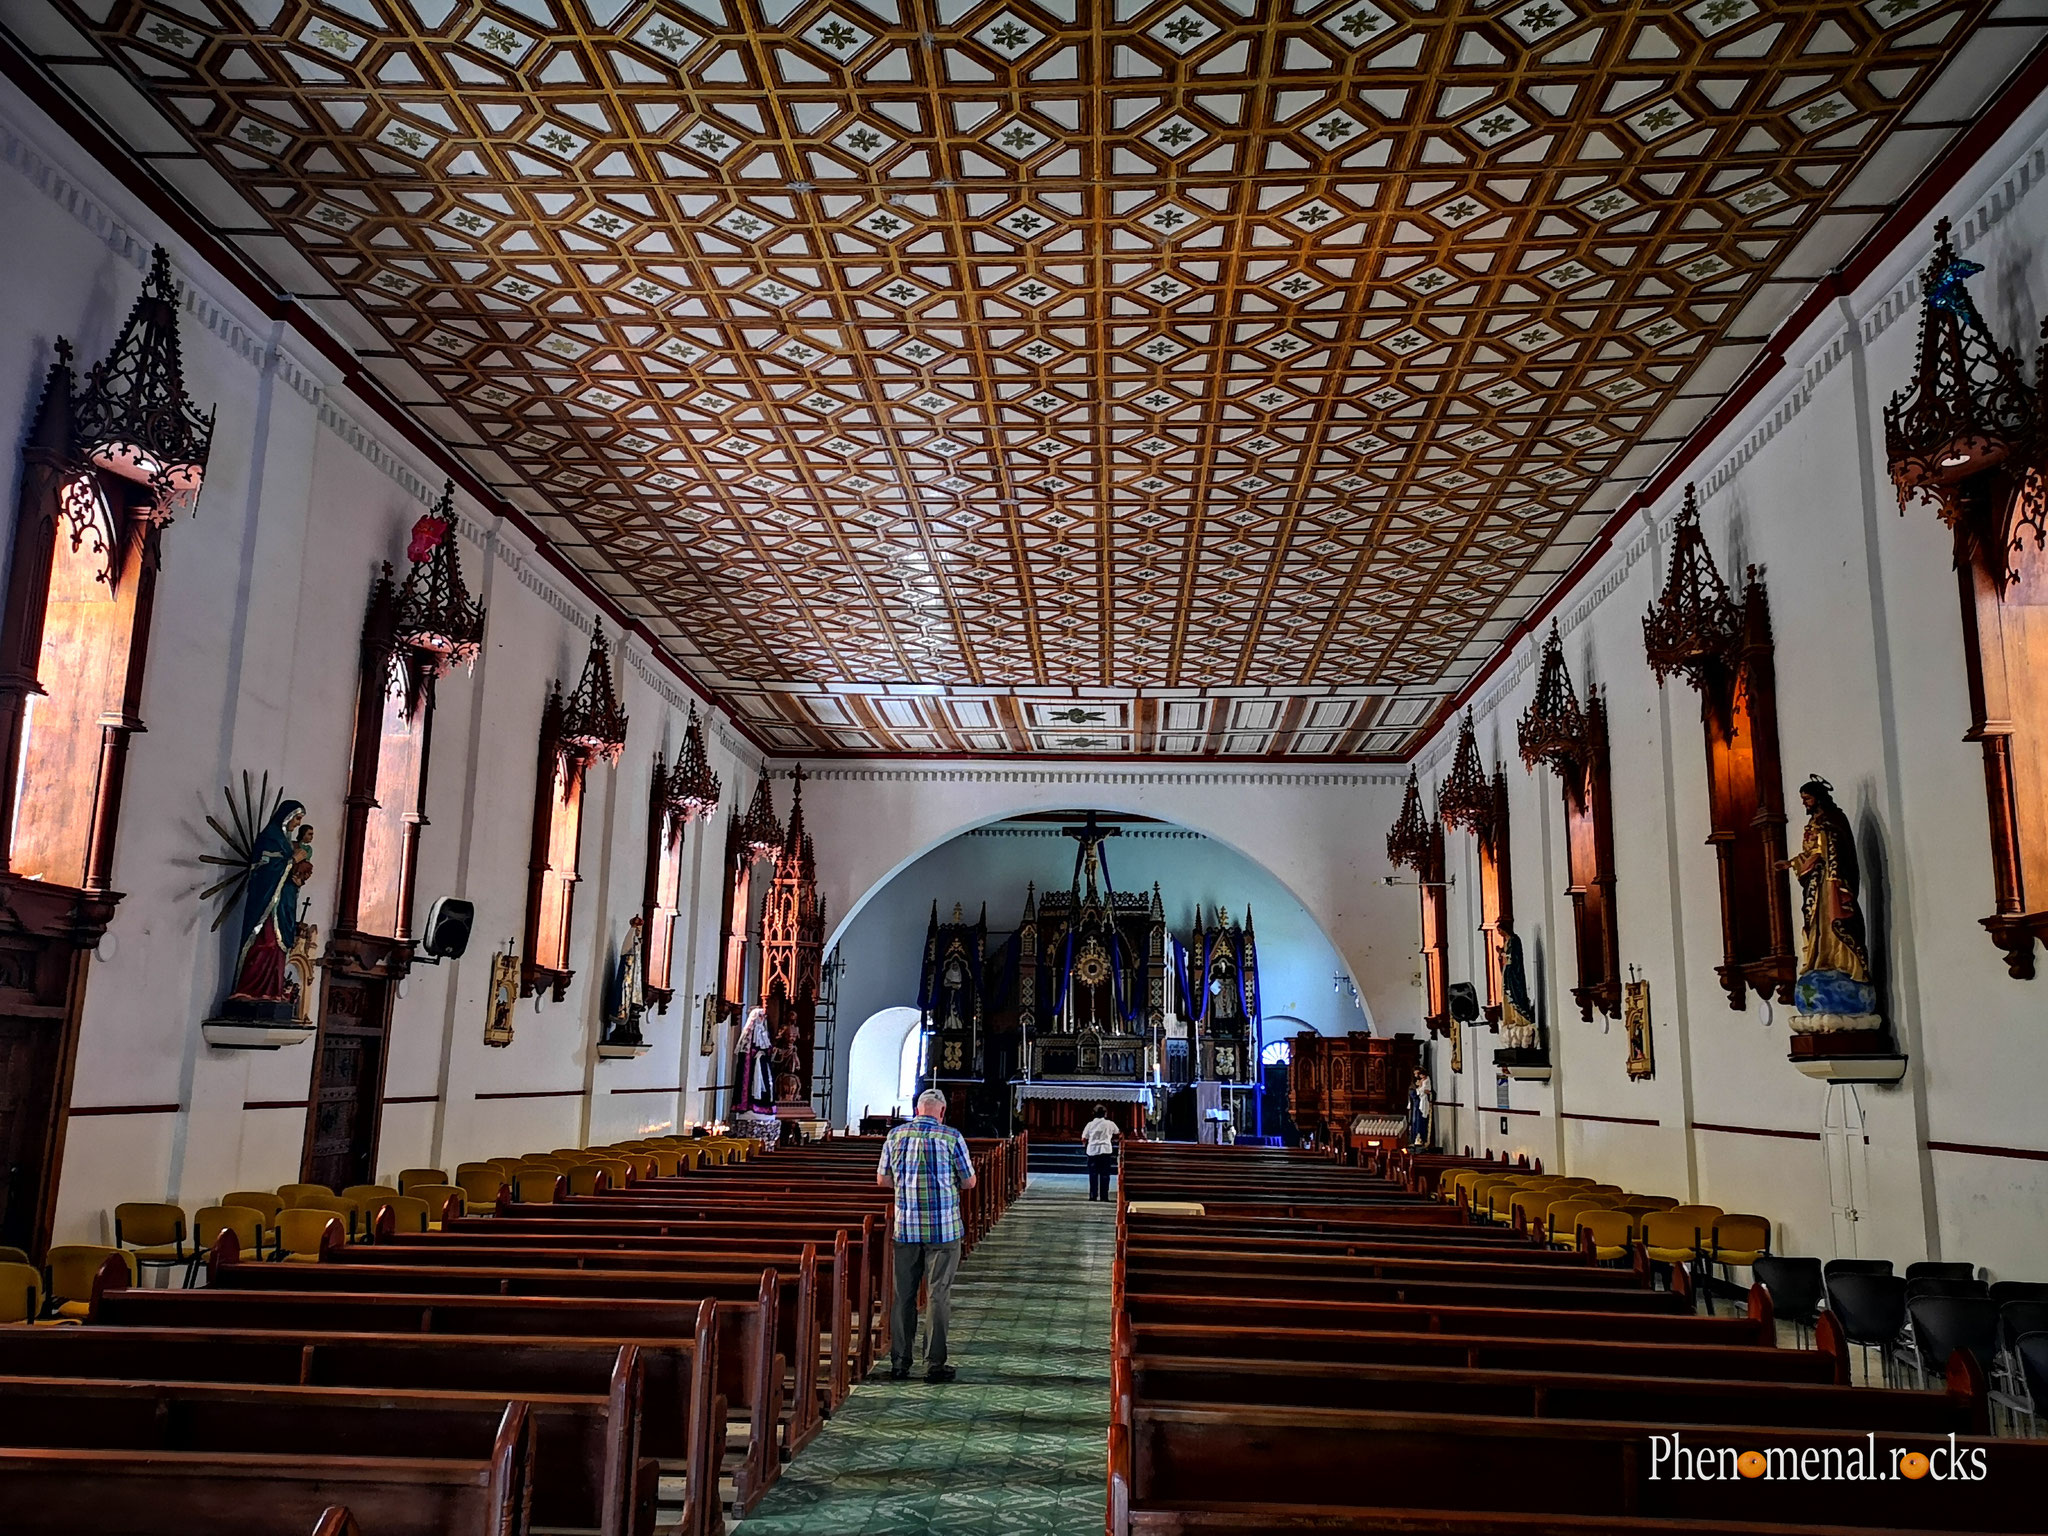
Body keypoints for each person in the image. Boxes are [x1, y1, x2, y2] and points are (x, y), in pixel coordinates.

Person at [876, 1087, 977, 1383]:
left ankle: (900, 1363)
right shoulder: (951, 1137)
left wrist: (907, 1183)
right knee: (937, 1296)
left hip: (906, 1228)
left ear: (917, 1109)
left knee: (903, 1296)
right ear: (942, 1112)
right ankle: (934, 1364)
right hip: (943, 1230)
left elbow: (882, 1179)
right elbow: (969, 1181)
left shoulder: (895, 1136)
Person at [1081, 1103, 1120, 1202]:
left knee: (1093, 1174)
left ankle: (1093, 1196)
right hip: (1105, 1150)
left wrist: (1085, 1145)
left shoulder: (1090, 1124)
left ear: (1093, 1113)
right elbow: (1118, 1133)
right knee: (1105, 1174)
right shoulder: (1110, 1123)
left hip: (1093, 1150)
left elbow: (1084, 1138)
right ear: (1105, 1114)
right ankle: (1104, 1196)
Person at [1408, 1067, 1433, 1150]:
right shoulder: (1414, 1083)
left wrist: (1421, 1090)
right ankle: (1415, 1138)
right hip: (1416, 1104)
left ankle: (1421, 1139)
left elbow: (1427, 1091)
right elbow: (1414, 1091)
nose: (1417, 1076)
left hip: (1422, 1102)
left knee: (1421, 1121)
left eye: (1418, 1074)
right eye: (1415, 1074)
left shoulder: (1426, 1080)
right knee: (1415, 1121)